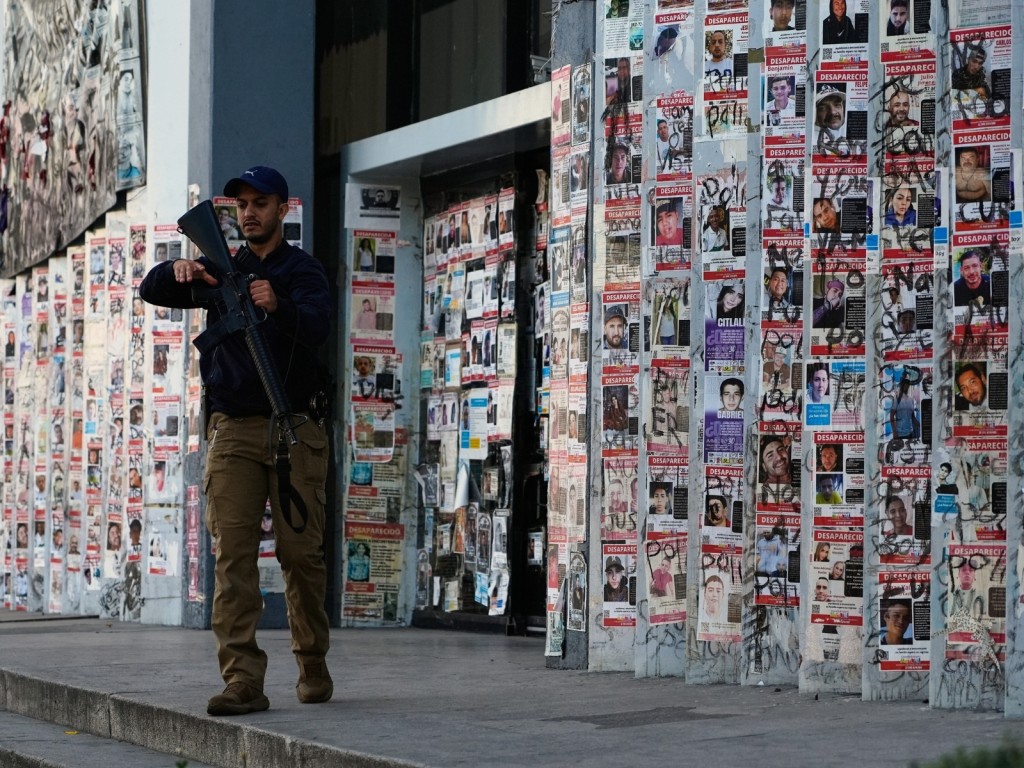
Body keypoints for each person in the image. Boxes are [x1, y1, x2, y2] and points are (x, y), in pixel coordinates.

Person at [139, 165, 333, 715]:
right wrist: (176, 269)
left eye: (260, 203)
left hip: (295, 427)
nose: (249, 212)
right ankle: (243, 679)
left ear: (282, 209)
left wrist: (280, 304)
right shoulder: (221, 269)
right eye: (241, 204)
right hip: (234, 430)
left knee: (300, 556)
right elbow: (151, 289)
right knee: (233, 559)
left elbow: (320, 324)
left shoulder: (303, 270)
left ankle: (312, 659)